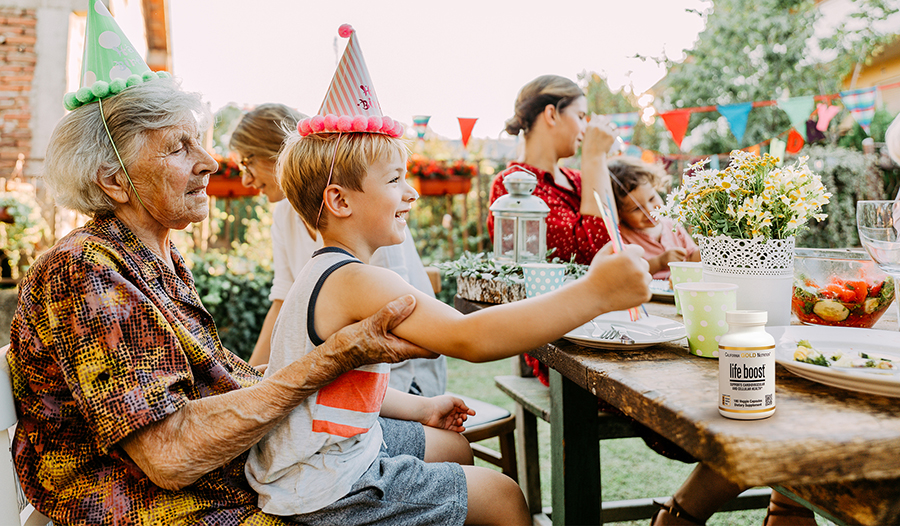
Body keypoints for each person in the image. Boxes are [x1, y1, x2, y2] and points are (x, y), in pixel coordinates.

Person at [8, 76, 438, 525]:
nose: (211, 163)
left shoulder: (153, 255)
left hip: (231, 466)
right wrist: (333, 357)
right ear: (115, 180)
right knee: (480, 490)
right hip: (160, 503)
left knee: (442, 442)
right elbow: (169, 456)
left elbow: (220, 382)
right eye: (179, 148)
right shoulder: (84, 269)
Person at [244, 115, 652, 524]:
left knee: (453, 448)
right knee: (502, 495)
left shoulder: (324, 271)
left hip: (308, 456)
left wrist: (422, 407)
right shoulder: (357, 280)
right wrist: (596, 294)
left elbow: (335, 388)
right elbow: (469, 337)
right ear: (340, 201)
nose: (412, 193)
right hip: (325, 482)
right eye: (394, 181)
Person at [230, 103, 447, 396]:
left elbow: (396, 319)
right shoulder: (284, 216)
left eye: (248, 161)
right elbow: (282, 301)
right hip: (339, 381)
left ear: (275, 151)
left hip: (402, 382)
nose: (245, 179)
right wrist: (245, 388)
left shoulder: (374, 220)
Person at [487, 74, 619, 266]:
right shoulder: (511, 186)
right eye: (581, 117)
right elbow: (596, 255)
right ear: (551, 114)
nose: (585, 128)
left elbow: (617, 242)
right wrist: (594, 156)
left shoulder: (578, 179)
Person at [608, 156, 700, 279]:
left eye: (652, 198)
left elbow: (692, 257)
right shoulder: (622, 239)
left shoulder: (672, 225)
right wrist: (659, 262)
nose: (649, 211)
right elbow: (628, 275)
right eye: (636, 209)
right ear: (618, 213)